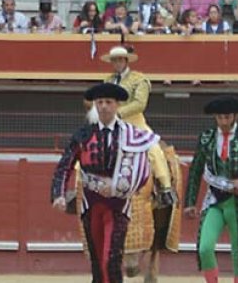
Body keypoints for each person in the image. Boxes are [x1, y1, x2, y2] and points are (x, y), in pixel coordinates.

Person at [51, 81, 160, 283]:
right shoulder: (83, 134)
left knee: (111, 259)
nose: (103, 106)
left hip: (118, 204)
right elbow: (65, 164)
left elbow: (141, 168)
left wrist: (126, 186)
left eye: (108, 102)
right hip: (90, 204)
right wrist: (58, 193)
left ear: (117, 105)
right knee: (97, 262)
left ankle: (165, 189)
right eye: (99, 102)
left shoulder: (130, 133)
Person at [101, 45, 179, 279]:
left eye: (119, 59)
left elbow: (140, 104)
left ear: (126, 60)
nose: (116, 63)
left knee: (154, 150)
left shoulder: (139, 79)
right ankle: (81, 191)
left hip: (134, 124)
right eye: (113, 60)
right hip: (112, 125)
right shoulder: (107, 80)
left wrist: (116, 112)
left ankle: (165, 188)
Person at [184, 96, 238, 283]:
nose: (223, 121)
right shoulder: (207, 137)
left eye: (227, 117)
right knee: (204, 247)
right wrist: (190, 202)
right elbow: (195, 170)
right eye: (219, 117)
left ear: (235, 116)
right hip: (214, 198)